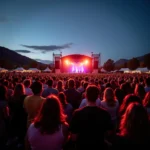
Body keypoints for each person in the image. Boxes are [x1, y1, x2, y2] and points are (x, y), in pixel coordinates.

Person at [70, 85, 113, 150]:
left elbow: (73, 137)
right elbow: (109, 132)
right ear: (98, 96)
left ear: (86, 96)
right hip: (99, 145)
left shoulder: (77, 113)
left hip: (82, 146)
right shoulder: (105, 114)